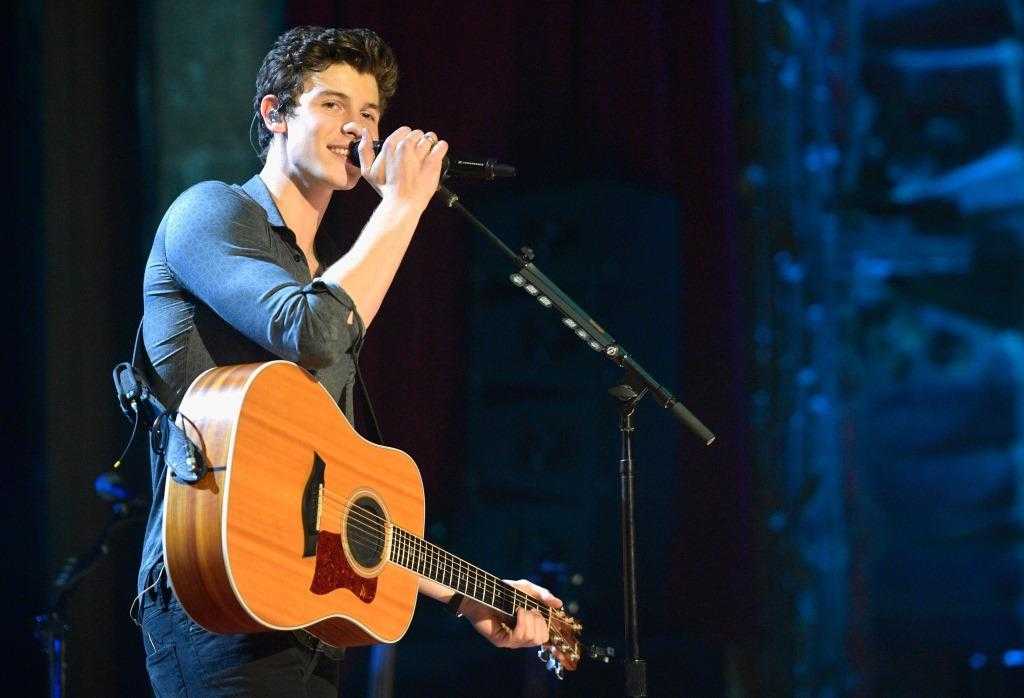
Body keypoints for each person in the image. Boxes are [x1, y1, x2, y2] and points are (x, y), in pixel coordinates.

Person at [135, 25, 560, 696]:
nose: (355, 128)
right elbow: (310, 330)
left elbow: (338, 500)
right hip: (214, 598)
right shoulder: (209, 214)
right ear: (274, 114)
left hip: (303, 606)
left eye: (369, 114)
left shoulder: (336, 278)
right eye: (332, 105)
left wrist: (473, 594)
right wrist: (404, 203)